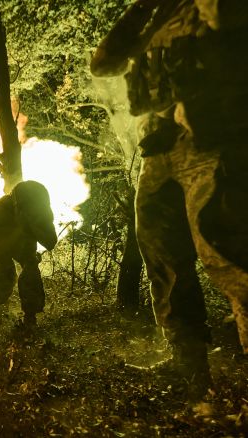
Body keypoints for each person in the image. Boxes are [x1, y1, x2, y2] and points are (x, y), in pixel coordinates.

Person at [91, 0, 248, 398]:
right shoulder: (157, 15)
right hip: (159, 148)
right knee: (162, 255)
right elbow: (103, 63)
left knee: (226, 253)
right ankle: (188, 365)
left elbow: (225, 19)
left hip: (213, 142)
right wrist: (144, 8)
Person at [0, 181, 57, 328]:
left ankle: (30, 316)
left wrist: (31, 228)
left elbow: (50, 240)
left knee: (31, 270)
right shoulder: (0, 210)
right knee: (6, 275)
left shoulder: (38, 206)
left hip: (21, 235)